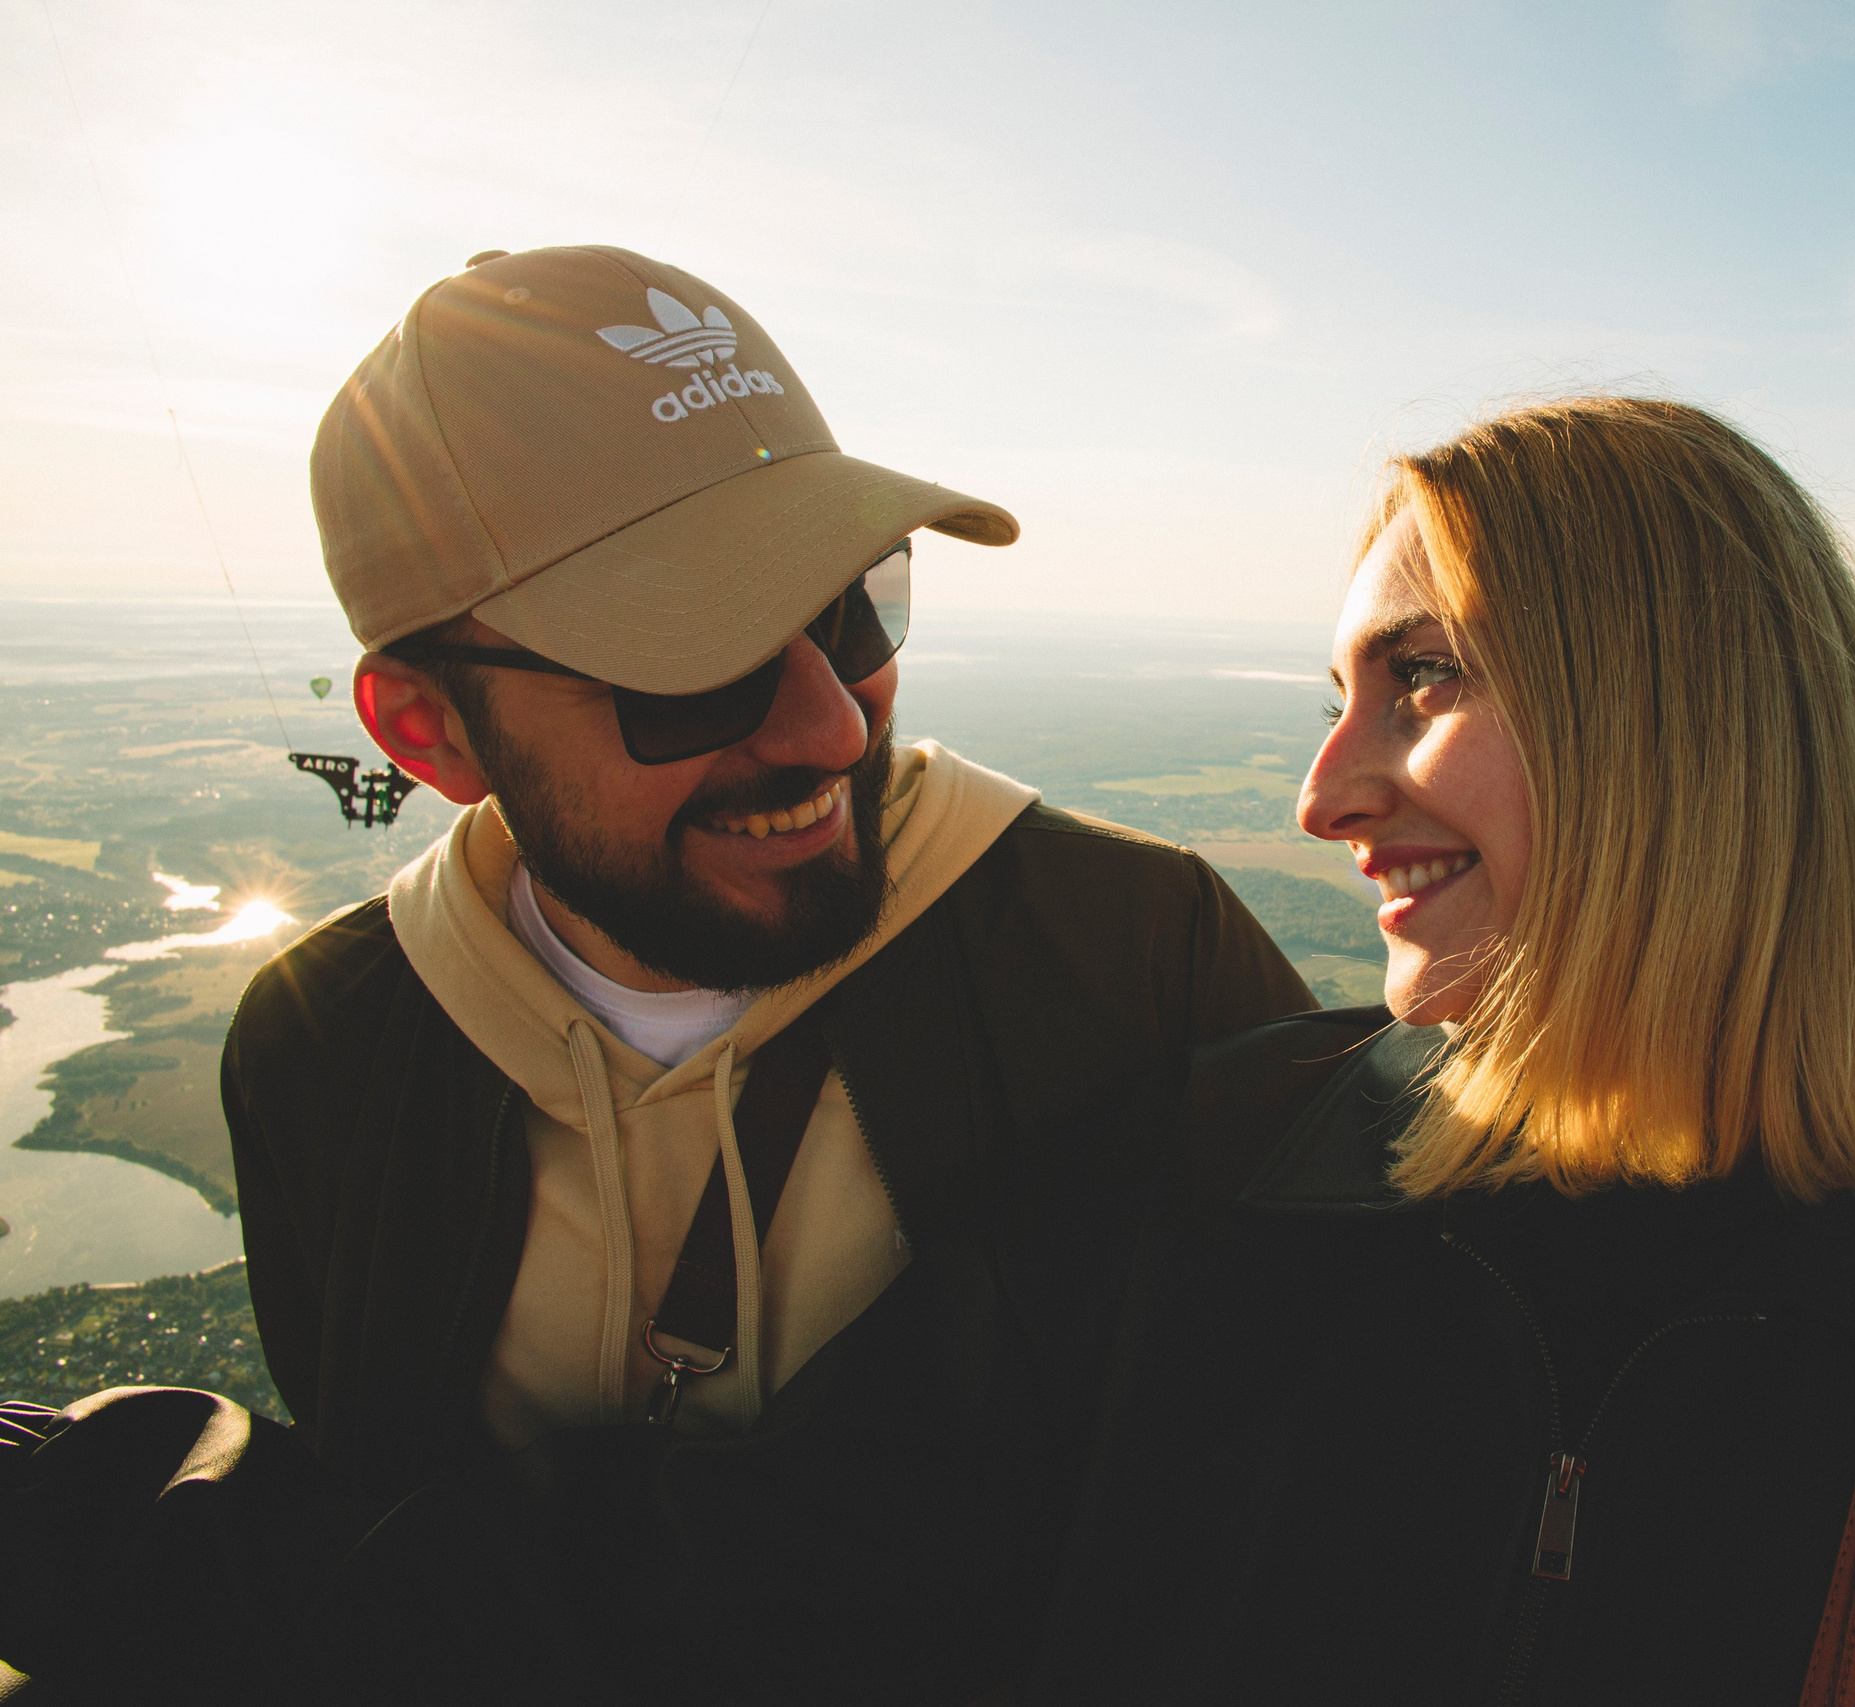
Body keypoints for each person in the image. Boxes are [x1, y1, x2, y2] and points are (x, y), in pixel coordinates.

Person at [0, 245, 1309, 1704]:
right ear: (432, 733)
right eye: (691, 658)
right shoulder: (329, 1049)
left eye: (852, 605)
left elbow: (1326, 1505)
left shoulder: (1132, 953)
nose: (832, 728)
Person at [1032, 398, 1855, 1705]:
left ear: (1683, 727)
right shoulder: (1202, 1177)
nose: (1320, 796)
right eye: (1342, 699)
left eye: (1424, 675)